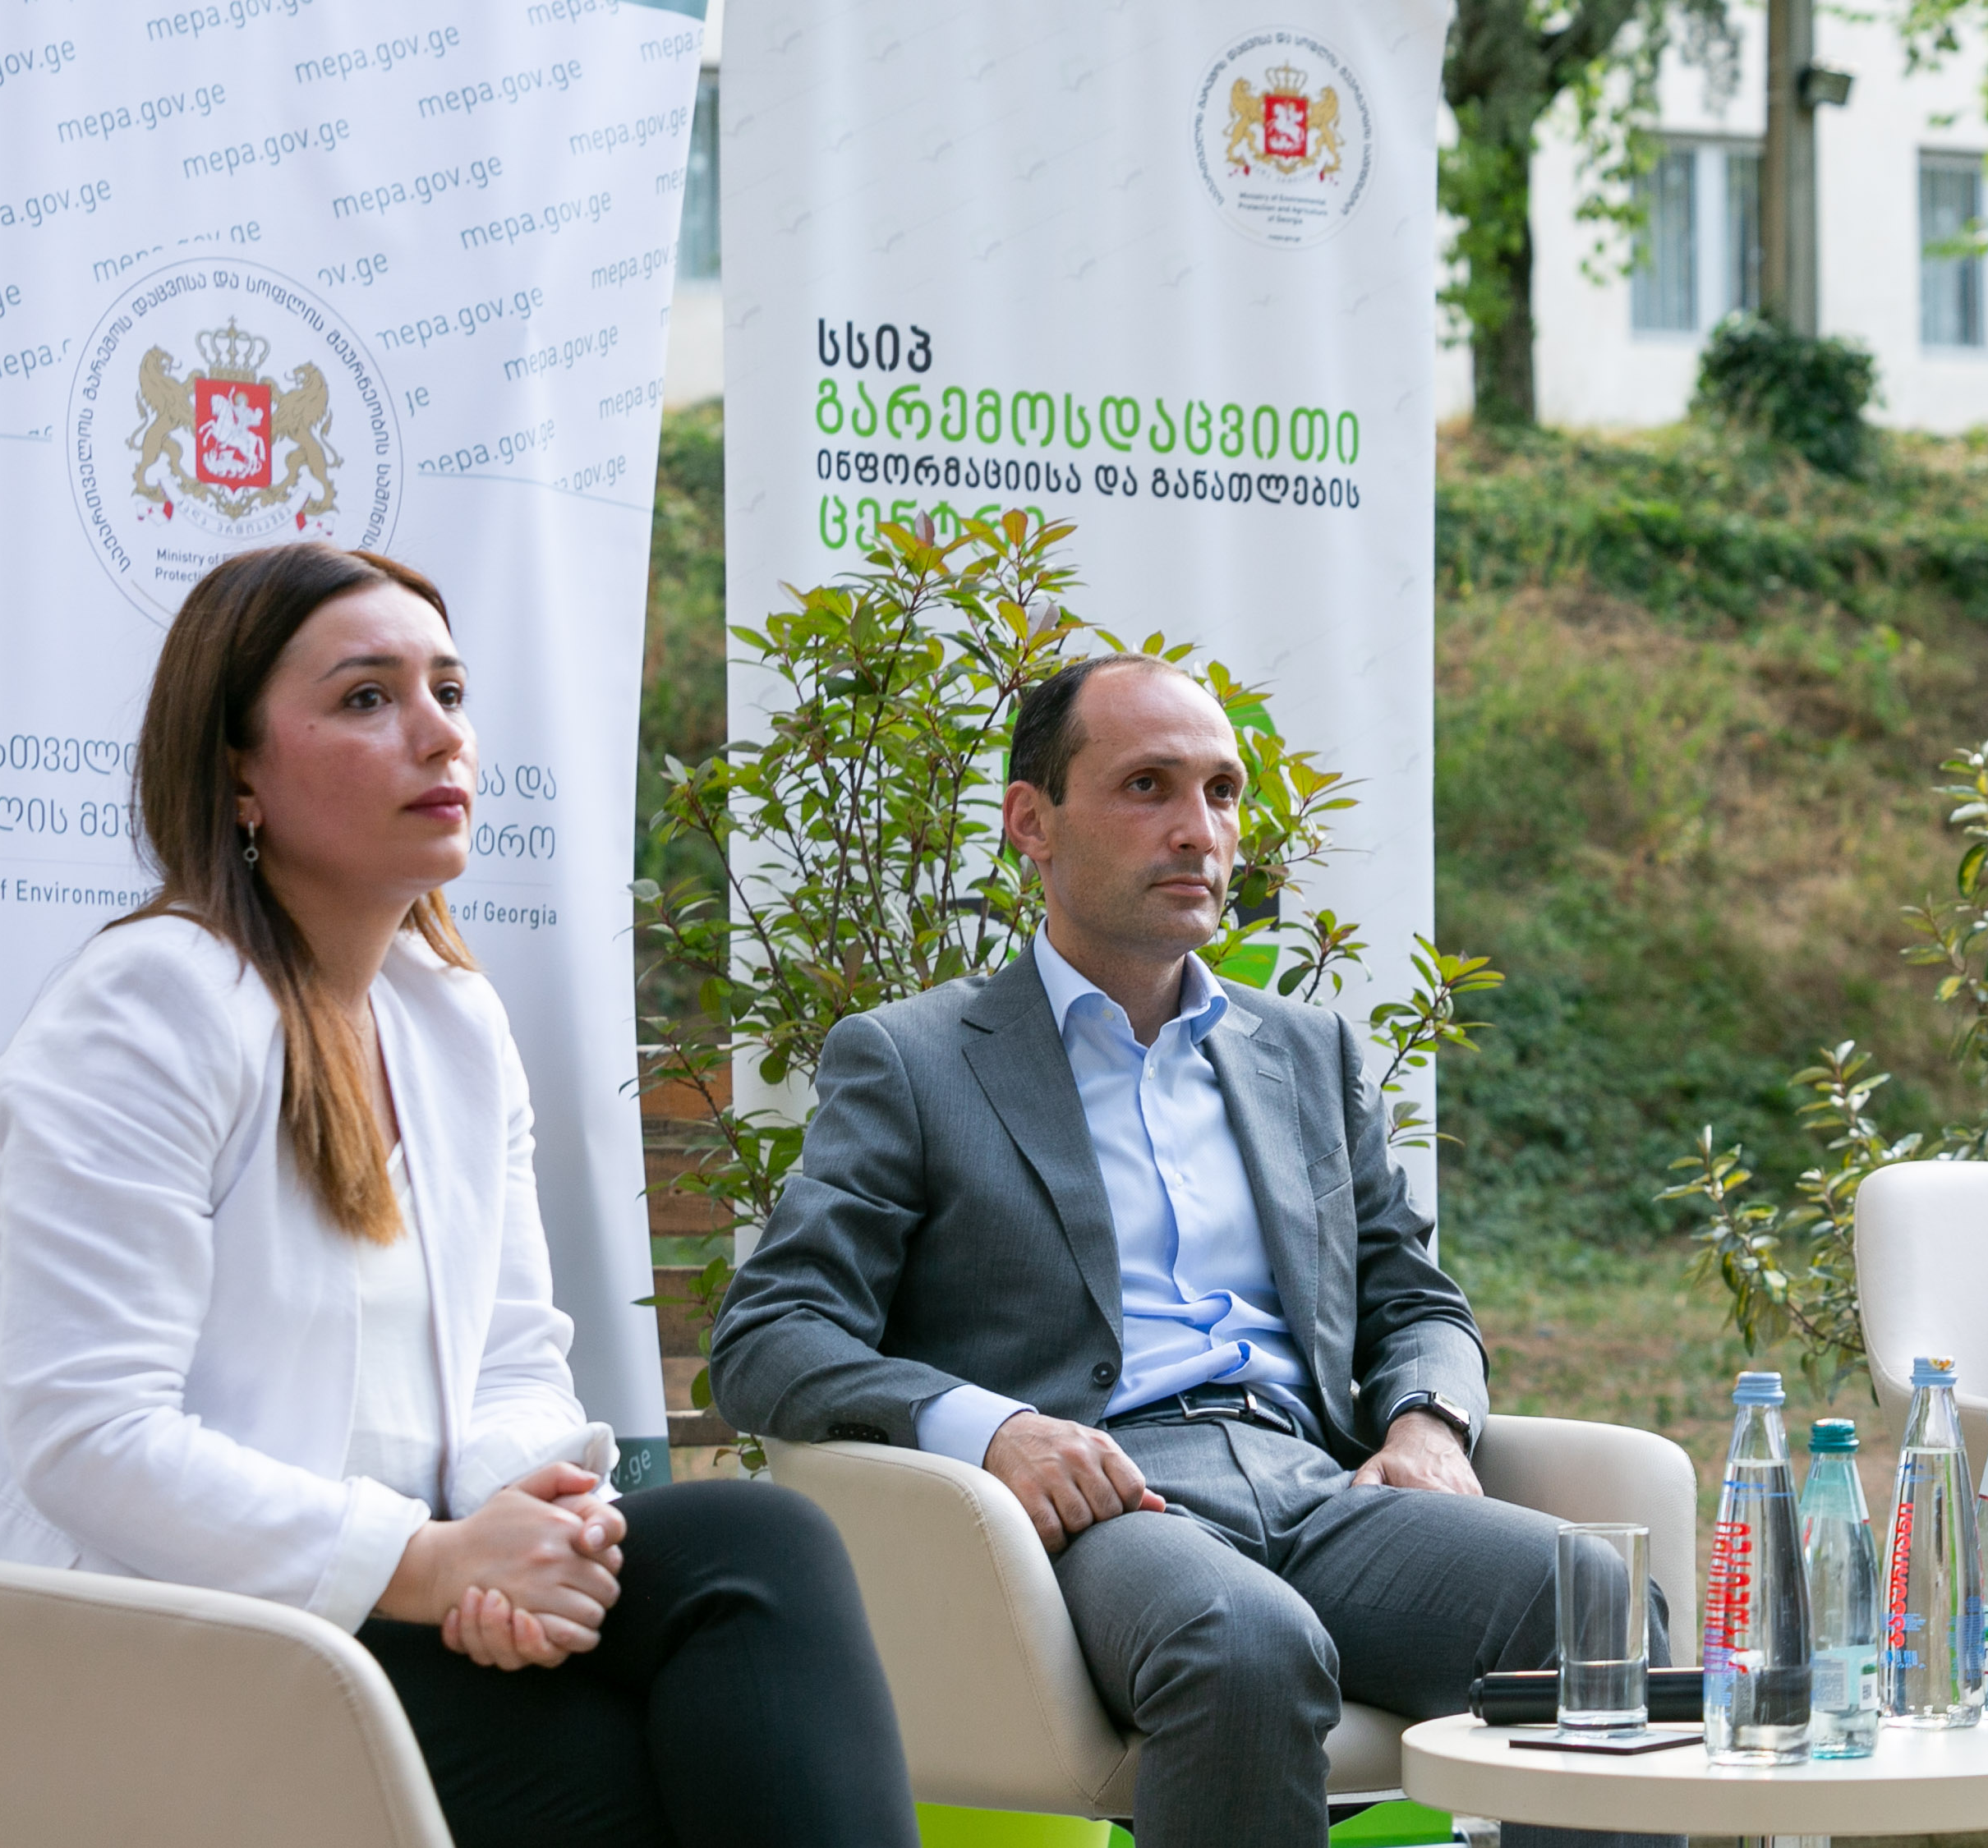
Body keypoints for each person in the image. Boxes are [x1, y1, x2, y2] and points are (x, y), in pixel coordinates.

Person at [0, 542, 917, 1848]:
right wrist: (426, 1564)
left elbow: (512, 1360)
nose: (440, 734)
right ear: (237, 774)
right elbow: (89, 1435)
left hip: (363, 1607)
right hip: (133, 1641)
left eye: (450, 690)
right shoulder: (147, 1008)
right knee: (662, 1769)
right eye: (368, 697)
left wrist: (524, 1533)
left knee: (754, 1548)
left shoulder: (449, 1018)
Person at [712, 654, 1673, 1848]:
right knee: (1242, 1642)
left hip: (1321, 1487)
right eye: (1147, 787)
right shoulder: (915, 1059)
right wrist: (995, 1429)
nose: (1198, 830)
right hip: (1109, 1505)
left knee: (1592, 1605)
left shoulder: (1305, 1053)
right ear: (1032, 823)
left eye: (1221, 792)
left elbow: (1413, 1297)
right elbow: (769, 1334)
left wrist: (1429, 1421)